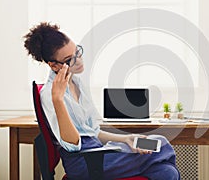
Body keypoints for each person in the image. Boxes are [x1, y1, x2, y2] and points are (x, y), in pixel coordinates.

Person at [23, 22, 180, 180]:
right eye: (70, 59)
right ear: (54, 65)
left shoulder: (77, 83)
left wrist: (126, 138)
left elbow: (93, 132)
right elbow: (72, 144)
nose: (79, 60)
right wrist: (58, 101)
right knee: (162, 144)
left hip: (98, 152)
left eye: (78, 52)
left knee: (167, 173)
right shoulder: (50, 94)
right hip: (84, 162)